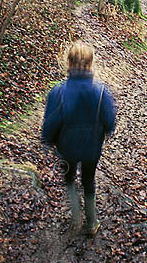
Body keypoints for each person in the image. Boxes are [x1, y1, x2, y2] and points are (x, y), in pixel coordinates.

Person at [42, 41, 116, 236]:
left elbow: (50, 123)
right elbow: (110, 123)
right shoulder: (101, 92)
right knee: (89, 181)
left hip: (66, 149)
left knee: (69, 179)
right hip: (92, 149)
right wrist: (103, 131)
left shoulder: (58, 92)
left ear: (68, 62)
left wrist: (48, 141)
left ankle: (76, 218)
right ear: (91, 64)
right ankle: (91, 223)